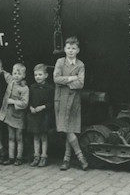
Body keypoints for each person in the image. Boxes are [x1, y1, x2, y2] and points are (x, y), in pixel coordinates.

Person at [54, 36, 89, 171]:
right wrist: (71, 78)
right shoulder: (60, 62)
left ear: (78, 50)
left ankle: (66, 159)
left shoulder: (80, 65)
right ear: (64, 49)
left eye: (73, 48)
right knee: (67, 129)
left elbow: (80, 83)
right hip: (61, 100)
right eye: (68, 48)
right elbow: (56, 79)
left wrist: (66, 82)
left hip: (74, 101)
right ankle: (81, 158)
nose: (71, 51)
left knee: (70, 129)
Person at [0, 63, 29, 166]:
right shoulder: (11, 81)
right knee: (11, 137)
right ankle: (11, 158)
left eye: (19, 74)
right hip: (10, 115)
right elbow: (5, 74)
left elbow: (25, 103)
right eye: (14, 73)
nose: (16, 75)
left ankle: (19, 157)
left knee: (19, 137)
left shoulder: (25, 89)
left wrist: (13, 102)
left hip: (19, 116)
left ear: (23, 75)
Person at [27, 64, 54, 167]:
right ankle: (36, 156)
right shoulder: (32, 87)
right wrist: (30, 108)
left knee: (43, 137)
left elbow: (51, 103)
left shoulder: (49, 88)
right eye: (36, 75)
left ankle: (44, 157)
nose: (37, 77)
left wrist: (42, 107)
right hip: (34, 116)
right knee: (36, 136)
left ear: (46, 75)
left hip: (44, 116)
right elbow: (28, 100)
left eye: (40, 74)